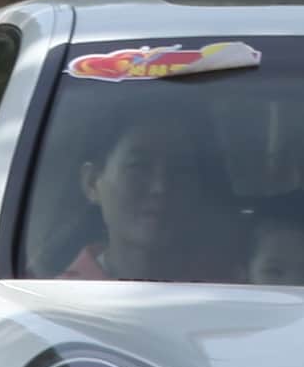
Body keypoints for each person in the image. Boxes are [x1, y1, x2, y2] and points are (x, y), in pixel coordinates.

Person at [63, 118, 256, 281]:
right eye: (138, 167)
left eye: (180, 171)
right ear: (92, 182)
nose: (160, 187)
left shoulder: (235, 292)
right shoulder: (53, 305)